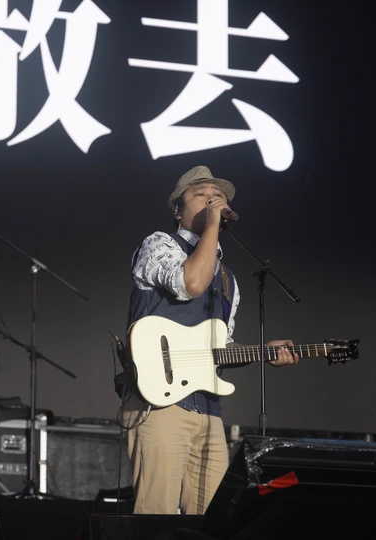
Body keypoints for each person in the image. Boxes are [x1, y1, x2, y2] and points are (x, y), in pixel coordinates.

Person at [117, 166, 300, 515]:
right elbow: (191, 283)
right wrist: (213, 225)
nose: (212, 200)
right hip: (159, 404)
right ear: (177, 209)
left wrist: (263, 352)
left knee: (213, 518)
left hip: (208, 410)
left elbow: (221, 348)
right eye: (201, 194)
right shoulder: (159, 244)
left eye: (219, 197)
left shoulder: (229, 280)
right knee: (156, 515)